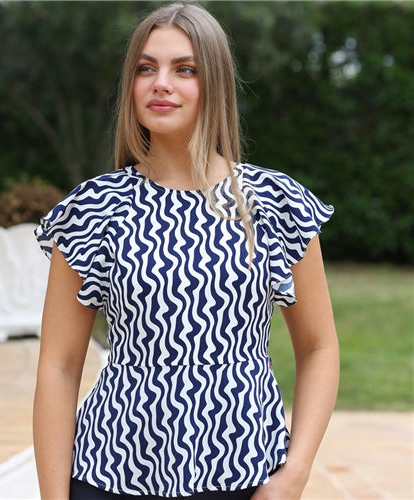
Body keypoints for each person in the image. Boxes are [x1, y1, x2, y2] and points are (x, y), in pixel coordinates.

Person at [33, 2, 339, 499]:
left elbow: (319, 348)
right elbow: (59, 366)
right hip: (111, 473)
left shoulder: (275, 203)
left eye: (185, 69)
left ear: (214, 83)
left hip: (244, 473)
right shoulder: (94, 209)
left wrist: (295, 473)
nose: (161, 83)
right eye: (146, 68)